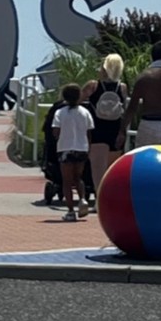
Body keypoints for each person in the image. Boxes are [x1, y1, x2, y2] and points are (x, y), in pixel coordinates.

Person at [83, 52, 132, 192]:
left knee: (98, 172)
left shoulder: (93, 86)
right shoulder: (122, 87)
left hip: (97, 130)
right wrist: (122, 132)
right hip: (115, 130)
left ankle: (99, 199)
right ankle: (109, 199)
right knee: (111, 172)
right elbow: (124, 110)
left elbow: (77, 100)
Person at [49, 83, 95, 221]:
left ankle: (70, 211)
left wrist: (57, 138)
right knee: (78, 177)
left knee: (67, 181)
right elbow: (89, 131)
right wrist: (88, 147)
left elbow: (56, 131)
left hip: (65, 147)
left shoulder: (60, 112)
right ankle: (82, 199)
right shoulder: (85, 112)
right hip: (82, 148)